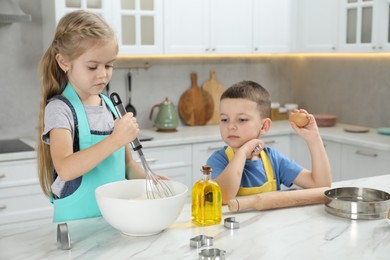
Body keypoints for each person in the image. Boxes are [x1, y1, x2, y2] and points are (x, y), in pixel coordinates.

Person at [37, 10, 146, 222]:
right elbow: (66, 169)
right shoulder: (60, 109)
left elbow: (127, 166)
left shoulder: (110, 106)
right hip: (77, 227)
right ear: (64, 62)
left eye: (109, 65)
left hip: (115, 221)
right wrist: (115, 139)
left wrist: (151, 182)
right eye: (92, 66)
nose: (103, 74)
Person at [206, 81, 332, 204]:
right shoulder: (218, 161)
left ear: (264, 126)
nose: (231, 126)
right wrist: (243, 152)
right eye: (224, 119)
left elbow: (321, 186)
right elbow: (223, 197)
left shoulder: (274, 160)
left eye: (242, 119)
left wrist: (314, 140)